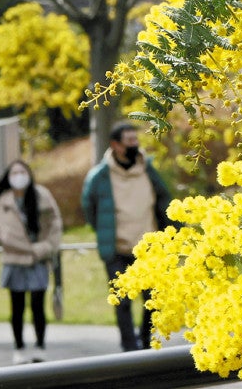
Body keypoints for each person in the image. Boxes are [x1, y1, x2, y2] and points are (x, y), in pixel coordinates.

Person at [81, 121, 171, 352]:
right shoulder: (100, 176)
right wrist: (104, 231)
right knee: (122, 302)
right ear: (115, 145)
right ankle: (129, 349)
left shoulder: (148, 169)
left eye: (136, 140)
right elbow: (89, 208)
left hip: (149, 249)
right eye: (129, 140)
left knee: (153, 300)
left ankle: (145, 343)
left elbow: (164, 202)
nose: (135, 144)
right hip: (117, 250)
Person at [0, 160, 63, 364]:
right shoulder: (3, 200)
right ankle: (19, 347)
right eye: (14, 172)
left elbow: (55, 223)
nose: (18, 176)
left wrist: (46, 247)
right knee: (16, 307)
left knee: (37, 305)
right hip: (13, 258)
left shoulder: (41, 195)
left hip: (37, 258)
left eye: (22, 171)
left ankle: (40, 346)